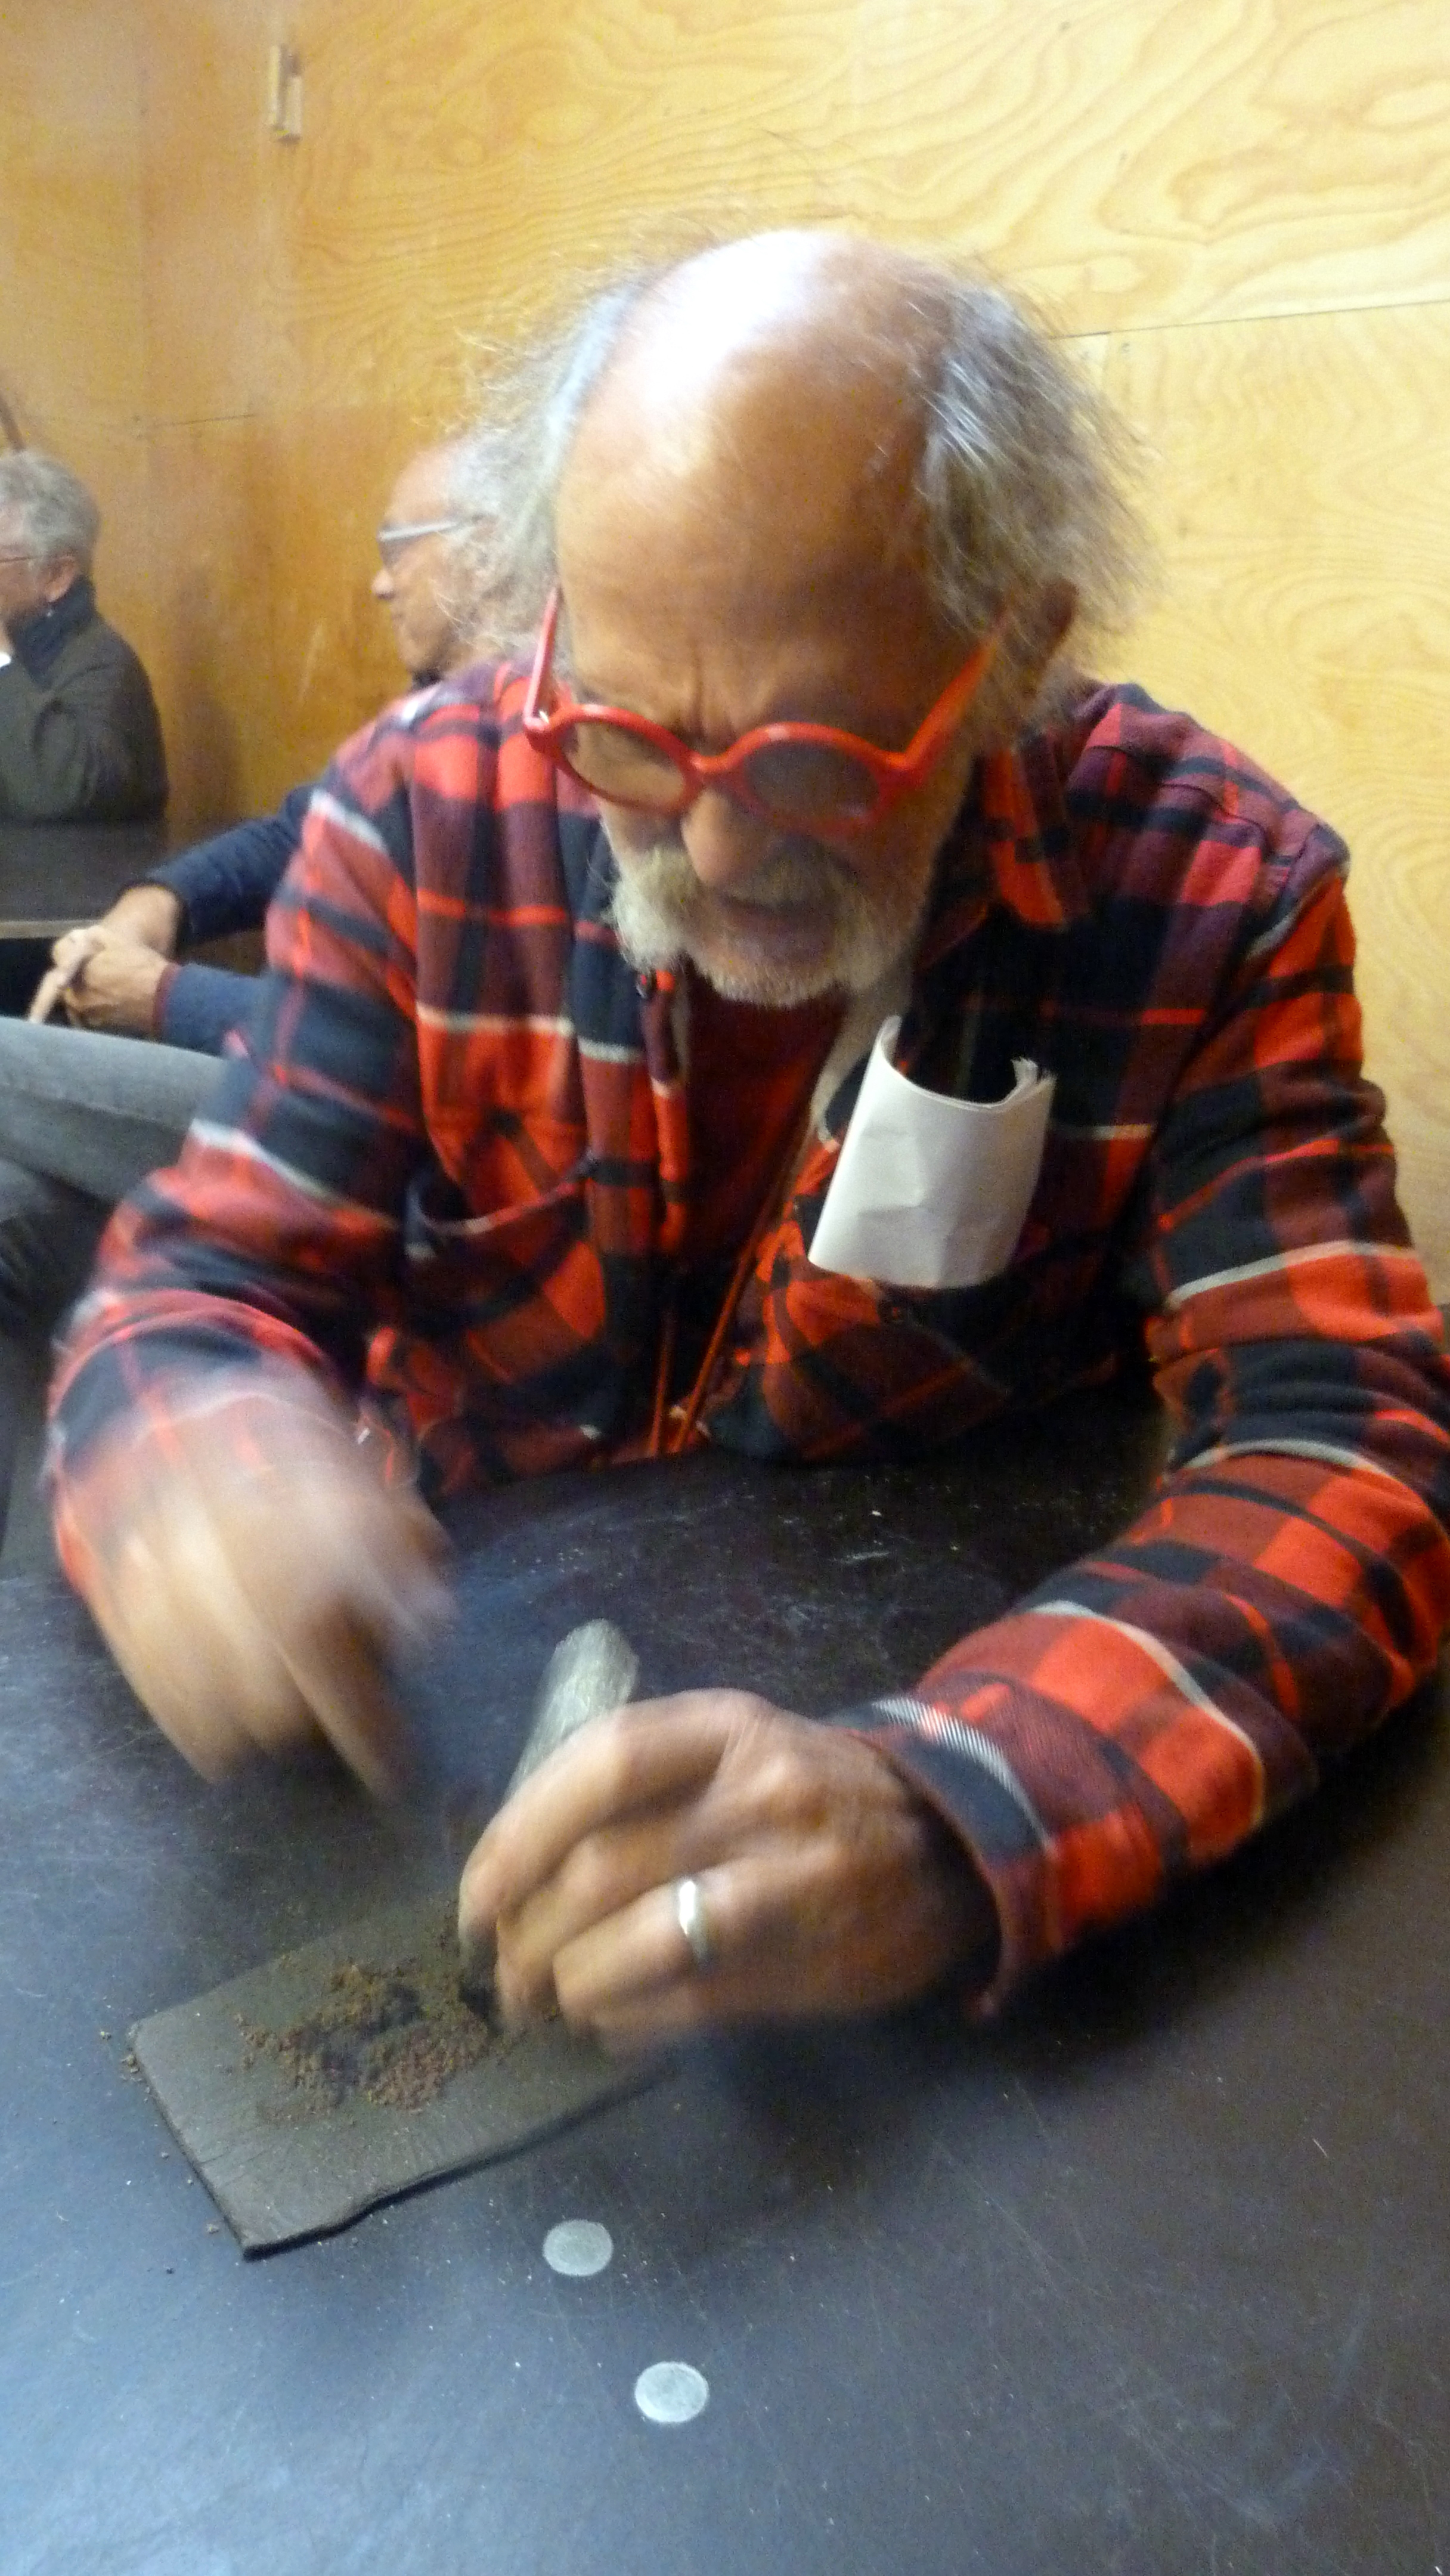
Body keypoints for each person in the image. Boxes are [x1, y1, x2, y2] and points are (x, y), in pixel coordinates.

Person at [46, 232, 1450, 2054]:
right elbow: (204, 1280)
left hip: (910, 1706)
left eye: (810, 764)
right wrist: (201, 1450)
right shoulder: (427, 810)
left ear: (1018, 646)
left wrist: (965, 1802)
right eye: (629, 739)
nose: (709, 852)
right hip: (433, 1730)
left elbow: (1345, 1440)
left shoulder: (1209, 894)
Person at [0, 450, 166, 823]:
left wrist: (1, 661)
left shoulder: (103, 665)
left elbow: (56, 794)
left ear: (56, 575)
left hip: (74, 862)